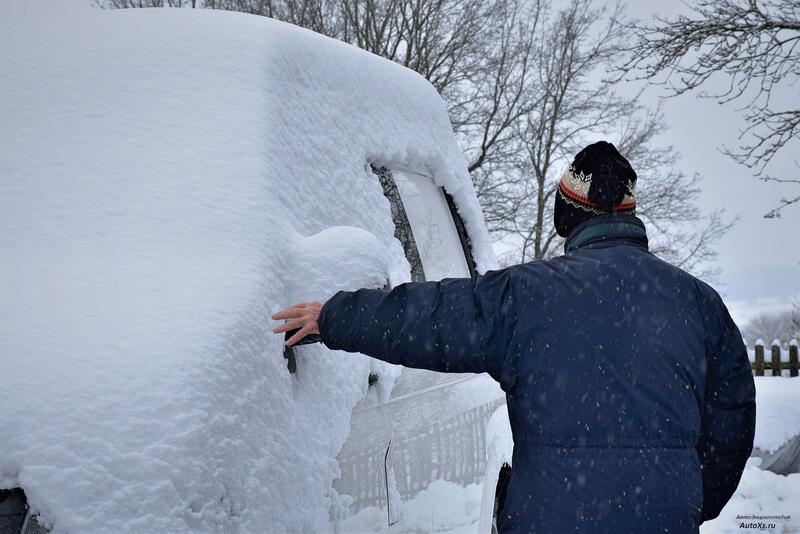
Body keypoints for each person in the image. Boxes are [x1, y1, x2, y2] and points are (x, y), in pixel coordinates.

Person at [271, 141, 756, 532]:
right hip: (663, 519)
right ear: (629, 214)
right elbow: (731, 428)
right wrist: (684, 500)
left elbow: (430, 317)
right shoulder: (699, 303)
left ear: (567, 215)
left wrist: (334, 317)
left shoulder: (526, 296)